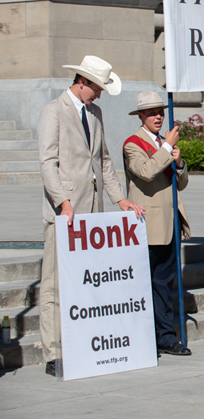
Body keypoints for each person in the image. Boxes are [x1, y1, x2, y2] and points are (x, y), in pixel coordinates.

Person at [38, 55, 145, 376]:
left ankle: (82, 344)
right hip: (66, 212)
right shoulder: (53, 111)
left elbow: (105, 161)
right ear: (82, 82)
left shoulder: (95, 113)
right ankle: (53, 352)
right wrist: (63, 202)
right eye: (97, 88)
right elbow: (47, 162)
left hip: (93, 211)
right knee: (55, 283)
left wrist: (120, 199)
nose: (99, 94)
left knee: (85, 282)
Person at [123, 91, 192, 356]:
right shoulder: (133, 143)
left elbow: (182, 183)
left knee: (163, 281)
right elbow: (146, 172)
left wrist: (179, 162)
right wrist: (166, 149)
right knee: (150, 282)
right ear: (140, 116)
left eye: (160, 112)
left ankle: (164, 335)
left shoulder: (166, 143)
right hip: (147, 222)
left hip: (170, 220)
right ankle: (156, 336)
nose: (158, 117)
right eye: (151, 113)